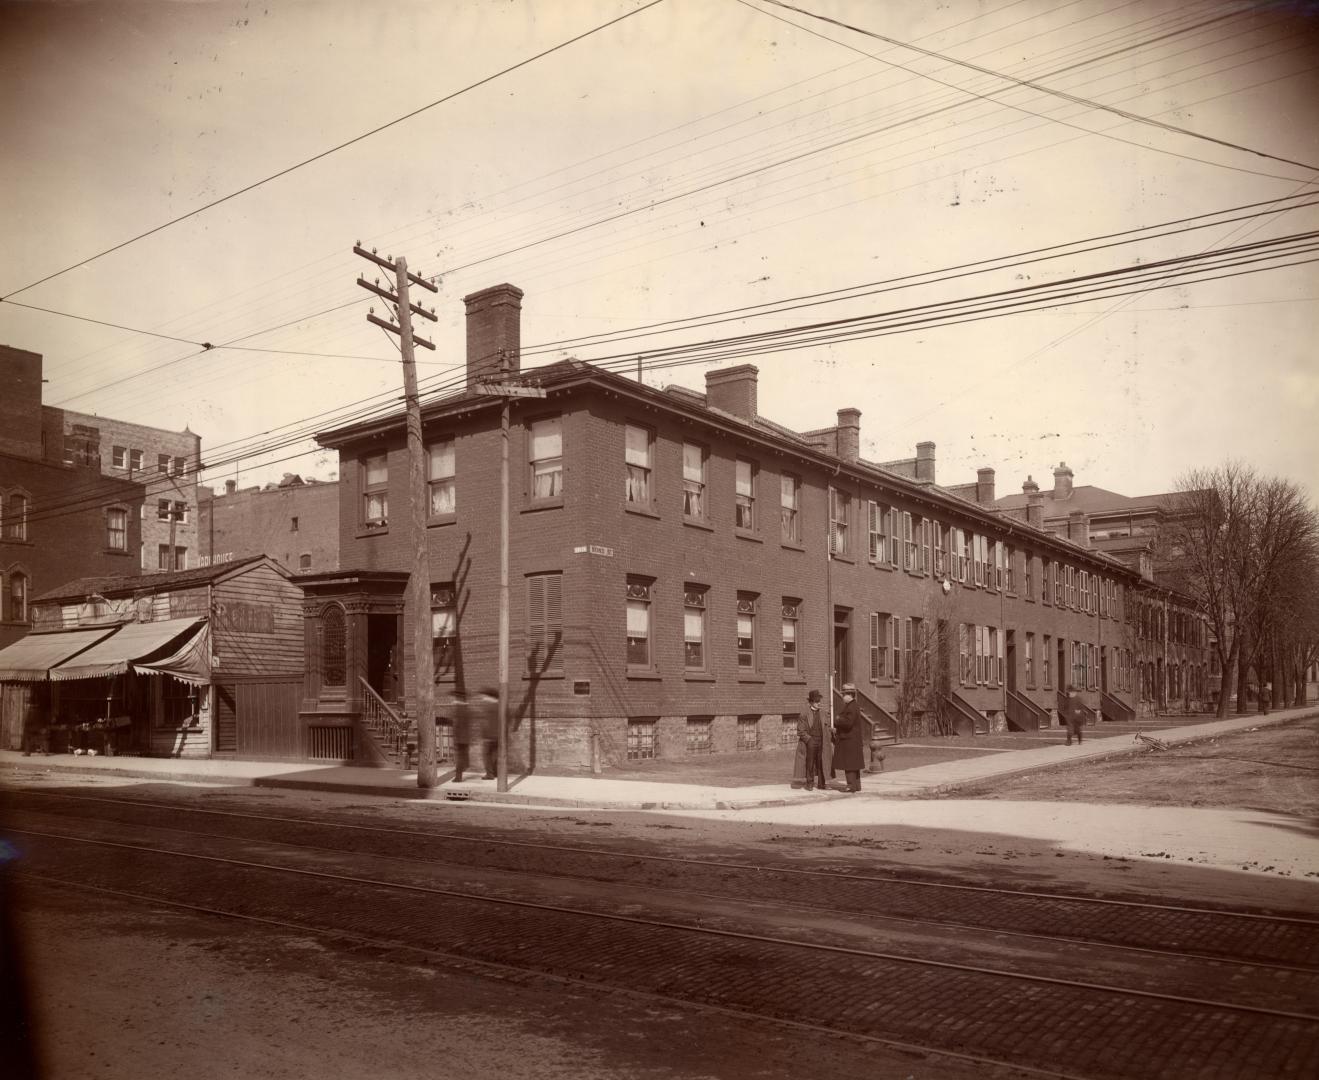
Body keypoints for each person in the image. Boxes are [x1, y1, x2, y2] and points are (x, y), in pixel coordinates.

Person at [832, 685, 865, 793]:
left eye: (844, 694)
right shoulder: (853, 705)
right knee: (854, 764)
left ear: (850, 695)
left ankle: (850, 785)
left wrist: (837, 720)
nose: (842, 696)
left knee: (849, 764)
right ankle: (856, 785)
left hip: (849, 740)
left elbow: (848, 723)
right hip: (853, 740)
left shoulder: (850, 707)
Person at [793, 690, 827, 791]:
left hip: (821, 741)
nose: (819, 703)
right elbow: (800, 731)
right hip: (811, 741)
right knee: (810, 762)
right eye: (817, 701)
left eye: (819, 701)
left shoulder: (823, 713)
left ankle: (822, 783)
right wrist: (809, 740)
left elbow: (826, 727)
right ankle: (810, 783)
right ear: (811, 702)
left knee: (822, 762)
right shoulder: (804, 714)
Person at [477, 687, 500, 780]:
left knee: (486, 755)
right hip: (498, 736)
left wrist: (484, 734)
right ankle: (495, 772)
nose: (482, 698)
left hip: (488, 736)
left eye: (484, 696)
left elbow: (485, 722)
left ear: (488, 696)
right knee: (495, 755)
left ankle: (490, 774)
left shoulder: (487, 707)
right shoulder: (500, 706)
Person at [450, 690, 472, 782]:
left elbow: (457, 724)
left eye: (452, 698)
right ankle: (463, 769)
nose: (451, 700)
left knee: (459, 758)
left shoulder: (458, 709)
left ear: (457, 699)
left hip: (460, 738)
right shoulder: (466, 708)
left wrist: (455, 737)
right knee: (462, 756)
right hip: (465, 737)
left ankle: (458, 777)